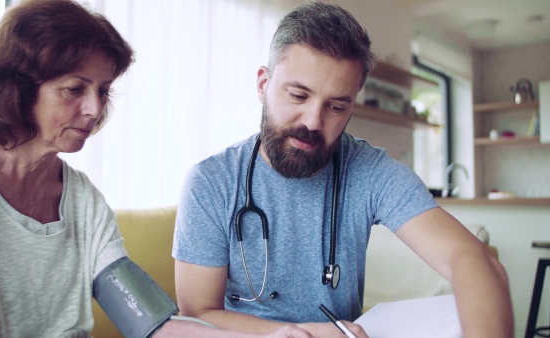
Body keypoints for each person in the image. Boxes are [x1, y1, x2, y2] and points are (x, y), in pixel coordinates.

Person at [0, 1, 314, 337]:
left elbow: (150, 323)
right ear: (18, 87)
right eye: (74, 89)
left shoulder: (81, 200)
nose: (94, 109)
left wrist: (269, 336)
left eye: (103, 90)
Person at [172, 1, 514, 337]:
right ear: (263, 84)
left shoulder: (370, 172)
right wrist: (301, 333)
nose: (313, 121)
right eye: (298, 95)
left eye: (336, 106)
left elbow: (470, 258)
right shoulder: (211, 181)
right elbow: (198, 313)